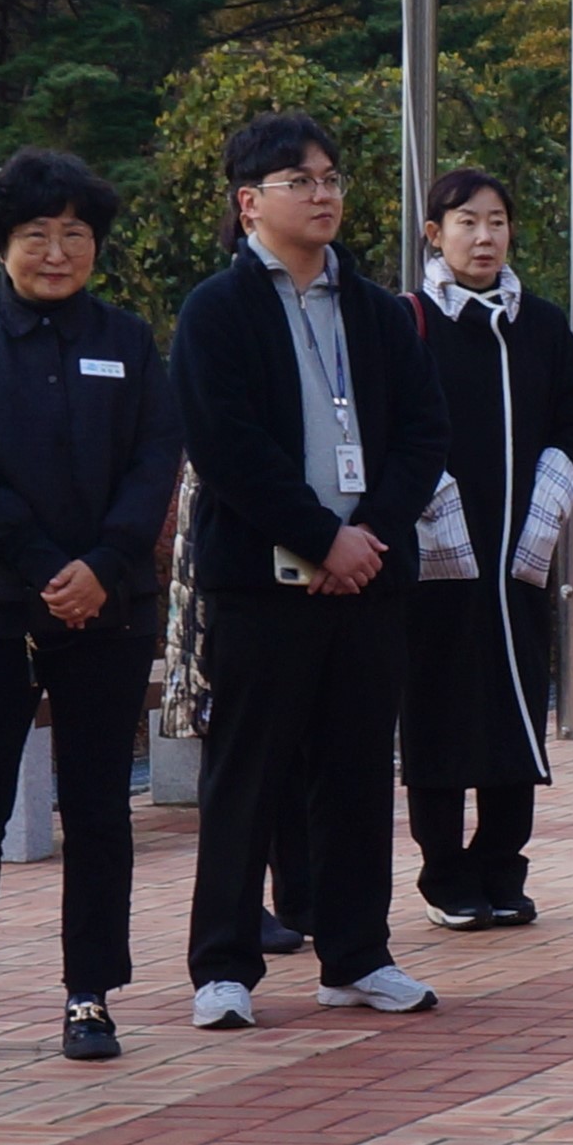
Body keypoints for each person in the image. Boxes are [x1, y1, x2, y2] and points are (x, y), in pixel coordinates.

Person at [170, 111, 448, 1031]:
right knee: (246, 773)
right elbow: (226, 445)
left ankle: (356, 955)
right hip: (261, 581)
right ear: (249, 202)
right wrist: (318, 538)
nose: (323, 194)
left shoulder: (376, 310)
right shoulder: (217, 310)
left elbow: (423, 433)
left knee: (358, 770)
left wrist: (365, 535)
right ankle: (223, 966)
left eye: (331, 178)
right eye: (301, 181)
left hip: (368, 577)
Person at [0, 148, 179, 1065]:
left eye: (75, 234)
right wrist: (43, 568)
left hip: (111, 606)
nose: (57, 252)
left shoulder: (127, 340)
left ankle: (90, 996)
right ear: (2, 244)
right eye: (37, 234)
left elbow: (155, 459)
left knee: (99, 807)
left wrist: (102, 565)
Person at [399, 169, 573, 928]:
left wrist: (545, 510)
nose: (483, 237)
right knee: (438, 708)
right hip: (434, 562)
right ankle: (443, 873)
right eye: (466, 222)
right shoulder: (406, 321)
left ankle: (502, 863)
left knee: (515, 704)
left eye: (496, 221)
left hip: (519, 555)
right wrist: (433, 508)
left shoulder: (540, 325)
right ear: (434, 234)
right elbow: (386, 425)